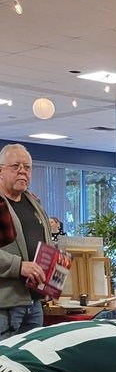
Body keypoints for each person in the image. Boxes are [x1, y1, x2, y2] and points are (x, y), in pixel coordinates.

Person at [0, 143, 52, 338]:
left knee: (31, 365)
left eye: (27, 167)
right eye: (15, 166)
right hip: (5, 306)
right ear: (0, 171)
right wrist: (19, 266)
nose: (22, 171)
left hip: (34, 303)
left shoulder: (33, 202)